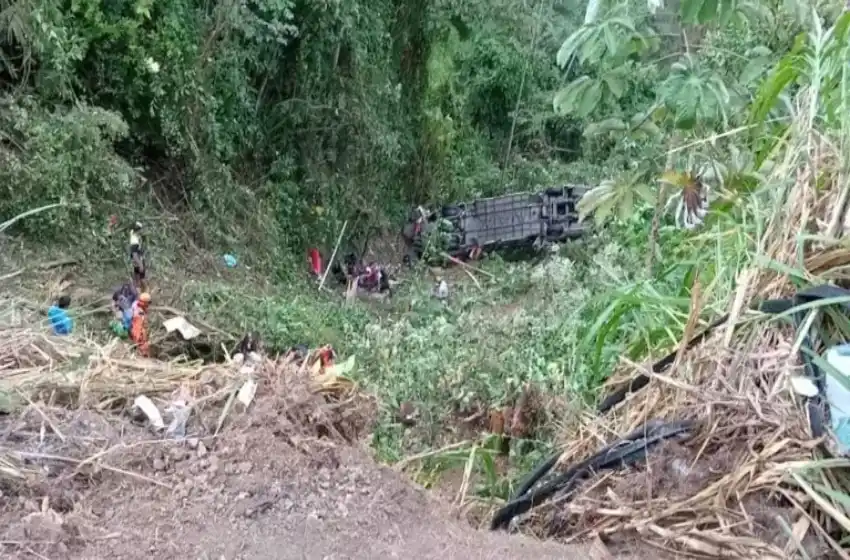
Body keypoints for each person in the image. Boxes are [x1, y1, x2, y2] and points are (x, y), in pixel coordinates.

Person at [130, 292, 152, 357]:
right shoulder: (139, 313)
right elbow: (138, 330)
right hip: (139, 338)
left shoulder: (136, 305)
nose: (149, 305)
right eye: (148, 303)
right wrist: (142, 343)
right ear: (144, 303)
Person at [129, 222, 147, 292]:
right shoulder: (135, 241)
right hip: (138, 260)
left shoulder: (132, 233)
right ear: (138, 230)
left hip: (135, 261)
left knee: (137, 276)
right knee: (142, 278)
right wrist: (140, 264)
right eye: (141, 230)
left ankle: (138, 291)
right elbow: (134, 254)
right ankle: (145, 293)